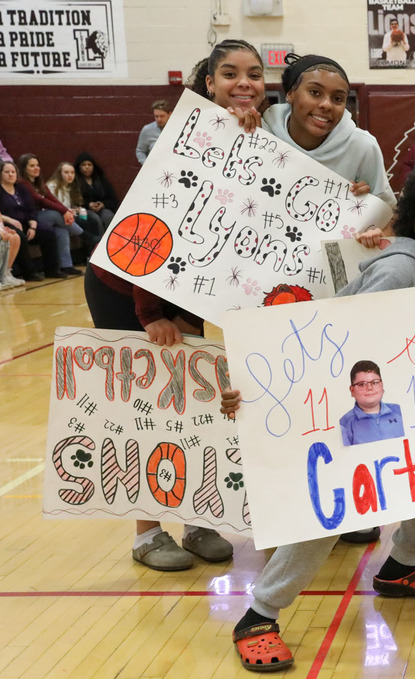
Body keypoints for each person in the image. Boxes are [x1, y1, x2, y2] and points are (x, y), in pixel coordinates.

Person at [221, 158, 415, 672]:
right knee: (332, 508)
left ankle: (401, 567)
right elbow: (345, 348)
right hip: (341, 401)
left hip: (387, 400)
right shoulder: (401, 269)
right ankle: (258, 614)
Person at [84, 39, 268, 573]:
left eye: (254, 74)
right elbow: (149, 229)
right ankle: (146, 534)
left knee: (192, 405)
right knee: (149, 410)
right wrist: (151, 315)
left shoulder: (255, 135)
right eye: (230, 73)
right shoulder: (178, 141)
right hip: (129, 286)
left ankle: (196, 519)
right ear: (208, 82)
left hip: (184, 289)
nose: (244, 83)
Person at [262, 53, 397, 211]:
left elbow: (389, 217)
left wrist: (367, 209)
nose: (327, 105)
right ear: (290, 93)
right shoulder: (261, 133)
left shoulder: (363, 147)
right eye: (315, 92)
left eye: (338, 99)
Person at [18, 153, 97, 274]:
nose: (36, 168)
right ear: (24, 168)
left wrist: (65, 211)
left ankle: (66, 265)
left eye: (37, 165)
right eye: (32, 166)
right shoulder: (23, 183)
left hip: (43, 217)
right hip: (30, 218)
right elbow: (41, 201)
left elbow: (52, 199)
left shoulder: (40, 183)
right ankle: (85, 235)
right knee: (55, 214)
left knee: (62, 230)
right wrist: (64, 211)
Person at [0, 160, 62, 281]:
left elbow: (31, 209)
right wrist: (10, 220)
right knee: (20, 236)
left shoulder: (21, 188)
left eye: (13, 172)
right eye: (7, 172)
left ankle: (52, 270)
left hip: (26, 223)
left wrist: (33, 226)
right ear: (1, 174)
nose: (11, 174)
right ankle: (29, 272)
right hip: (7, 223)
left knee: (48, 233)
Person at [338, 359, 405, 445]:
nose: (369, 388)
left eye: (375, 382)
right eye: (362, 384)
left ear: (382, 385)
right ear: (352, 390)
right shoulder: (344, 425)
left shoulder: (400, 411)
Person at [47, 161, 104, 239]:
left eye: (72, 173)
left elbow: (68, 205)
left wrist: (75, 209)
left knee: (93, 221)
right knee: (84, 223)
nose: (70, 175)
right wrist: (69, 210)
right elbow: (51, 206)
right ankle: (92, 243)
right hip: (59, 216)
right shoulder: (52, 186)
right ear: (60, 174)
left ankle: (94, 248)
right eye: (66, 172)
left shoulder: (69, 187)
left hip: (69, 214)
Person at [74, 152, 119, 233]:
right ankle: (99, 243)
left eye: (89, 165)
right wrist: (88, 205)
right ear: (79, 167)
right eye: (83, 165)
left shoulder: (101, 180)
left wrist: (102, 204)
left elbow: (113, 199)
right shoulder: (75, 182)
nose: (87, 167)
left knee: (108, 216)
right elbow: (74, 200)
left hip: (102, 209)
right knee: (95, 219)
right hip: (84, 210)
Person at [136, 100, 172, 164]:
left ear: (169, 114)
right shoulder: (147, 130)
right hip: (155, 168)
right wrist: (146, 164)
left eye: (162, 116)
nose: (159, 119)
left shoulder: (178, 128)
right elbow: (140, 151)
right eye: (156, 116)